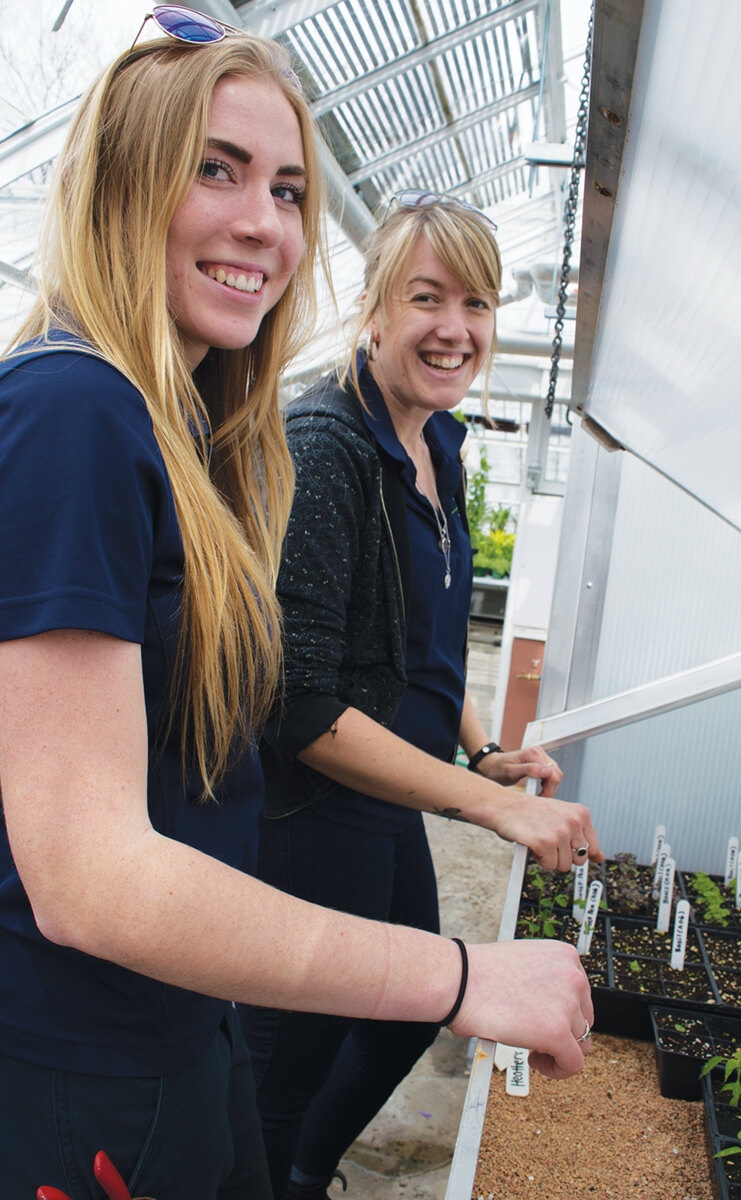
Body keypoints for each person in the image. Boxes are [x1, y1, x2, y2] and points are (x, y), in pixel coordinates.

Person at [0, 14, 596, 1200]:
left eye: (285, 189)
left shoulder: (191, 432)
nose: (263, 224)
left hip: (179, 1019)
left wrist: (476, 752)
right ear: (119, 181)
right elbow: (90, 877)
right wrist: (463, 976)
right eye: (213, 169)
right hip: (81, 1066)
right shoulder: (75, 412)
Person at [242, 192, 603, 1200]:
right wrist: (486, 805)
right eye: (426, 298)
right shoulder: (328, 452)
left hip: (391, 808)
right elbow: (299, 703)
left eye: (477, 304)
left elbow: (424, 649)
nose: (454, 329)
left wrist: (481, 751)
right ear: (373, 307)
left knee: (405, 1011)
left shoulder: (431, 442)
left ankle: (308, 1171)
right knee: (281, 1064)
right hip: (310, 824)